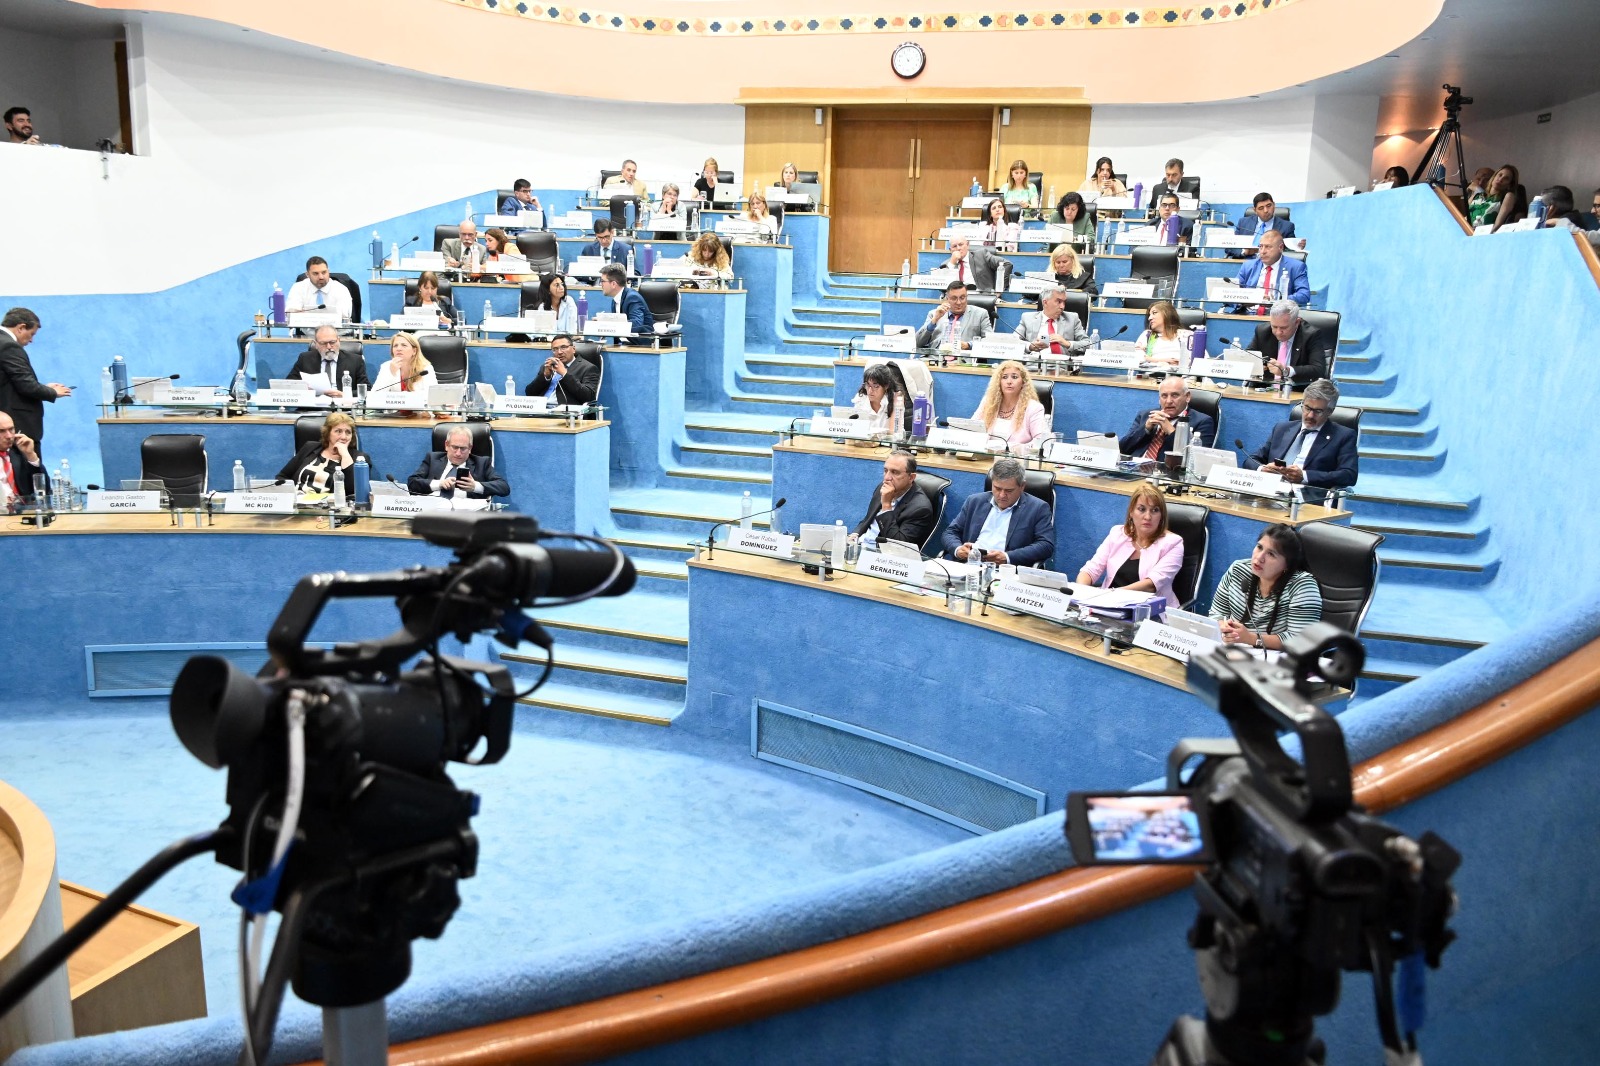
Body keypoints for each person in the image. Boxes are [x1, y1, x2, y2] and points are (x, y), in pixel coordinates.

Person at [1208, 524, 1323, 650]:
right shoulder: (1238, 570)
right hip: (1235, 652)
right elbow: (1217, 613)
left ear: (1287, 565)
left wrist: (1251, 638)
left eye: (1271, 554)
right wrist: (1225, 629)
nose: (1259, 557)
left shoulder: (1303, 585)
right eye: (1259, 547)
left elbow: (1301, 641)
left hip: (1280, 660)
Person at [1244, 378, 1358, 505]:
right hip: (1270, 493)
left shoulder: (1343, 436)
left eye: (1317, 411)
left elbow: (1349, 475)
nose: (1310, 415)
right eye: (1307, 408)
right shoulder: (1282, 429)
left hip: (1306, 500)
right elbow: (1251, 459)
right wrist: (1262, 469)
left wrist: (1304, 476)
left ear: (1330, 411)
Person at [1076, 483, 1186, 608]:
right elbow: (1091, 570)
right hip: (1108, 606)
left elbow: (1151, 585)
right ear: (1131, 512)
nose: (1148, 516)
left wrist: (1110, 595)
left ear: (1161, 516)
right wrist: (1081, 593)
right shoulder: (1117, 534)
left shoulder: (1173, 543)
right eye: (1141, 509)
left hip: (1150, 611)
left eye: (1155, 510)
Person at [940, 457, 1055, 566]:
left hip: (1006, 572)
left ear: (1022, 486)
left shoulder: (1038, 508)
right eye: (997, 488)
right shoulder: (975, 502)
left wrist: (1007, 557)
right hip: (970, 566)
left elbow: (1046, 545)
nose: (1002, 495)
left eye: (1009, 491)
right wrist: (958, 549)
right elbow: (950, 532)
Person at [0, 308, 69, 457]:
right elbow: (26, 385)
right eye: (31, 334)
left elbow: (11, 383)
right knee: (27, 471)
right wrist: (53, 392)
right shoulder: (8, 346)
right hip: (18, 423)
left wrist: (42, 387)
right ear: (21, 327)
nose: (31, 340)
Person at [851, 450, 934, 551]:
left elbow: (897, 547)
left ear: (911, 477)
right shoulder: (882, 488)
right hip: (861, 545)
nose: (887, 478)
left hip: (883, 556)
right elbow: (867, 520)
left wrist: (886, 506)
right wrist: (855, 534)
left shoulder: (920, 509)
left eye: (895, 472)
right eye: (886, 471)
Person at [1117, 376, 1216, 457]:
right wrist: (1145, 429)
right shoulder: (1145, 415)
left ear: (1187, 397)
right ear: (1159, 399)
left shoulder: (1202, 421)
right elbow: (1122, 448)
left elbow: (1197, 459)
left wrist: (1170, 430)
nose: (1168, 401)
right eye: (1164, 396)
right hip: (1134, 469)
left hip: (1167, 474)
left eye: (1174, 395)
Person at [407, 425, 510, 500]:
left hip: (466, 514)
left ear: (470, 448)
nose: (458, 453)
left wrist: (475, 486)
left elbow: (503, 487)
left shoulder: (482, 463)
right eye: (455, 447)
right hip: (434, 510)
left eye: (463, 448)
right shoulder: (432, 459)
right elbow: (412, 483)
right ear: (446, 445)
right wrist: (439, 484)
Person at [276, 411, 366, 495]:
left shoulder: (360, 459)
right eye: (338, 431)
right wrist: (291, 495)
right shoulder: (310, 448)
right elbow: (282, 476)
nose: (343, 437)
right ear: (328, 433)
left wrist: (345, 455)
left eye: (348, 432)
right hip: (298, 502)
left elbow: (353, 491)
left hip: (328, 508)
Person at [973, 360, 1049, 452]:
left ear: (1023, 382)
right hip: (985, 457)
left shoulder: (1034, 408)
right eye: (1004, 377)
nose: (1009, 381)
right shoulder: (988, 402)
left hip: (1016, 460)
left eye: (1014, 377)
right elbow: (972, 428)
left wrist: (1013, 448)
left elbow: (1042, 442)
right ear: (999, 382)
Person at [1248, 301, 1329, 387]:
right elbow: (1248, 356)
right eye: (1274, 327)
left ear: (1297, 322)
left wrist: (1286, 371)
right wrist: (1258, 364)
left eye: (1284, 328)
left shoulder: (1310, 335)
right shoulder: (1262, 331)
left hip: (1296, 390)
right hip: (1264, 390)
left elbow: (1318, 369)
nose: (1278, 332)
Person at [1232, 230, 1309, 310]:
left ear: (1281, 247)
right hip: (1248, 314)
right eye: (1261, 246)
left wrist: (1275, 301)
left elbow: (1304, 295)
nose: (1263, 251)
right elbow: (1232, 293)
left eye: (1268, 247)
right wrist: (1250, 298)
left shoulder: (1296, 267)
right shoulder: (1248, 266)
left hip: (1279, 316)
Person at [289, 325, 369, 397]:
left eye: (332, 342)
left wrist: (344, 394)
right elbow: (290, 384)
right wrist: (304, 388)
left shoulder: (355, 360)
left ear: (338, 340)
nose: (329, 347)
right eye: (323, 343)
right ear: (316, 344)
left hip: (343, 407)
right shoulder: (305, 358)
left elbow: (367, 389)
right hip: (313, 407)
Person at [1014, 284, 1089, 356]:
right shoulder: (1027, 318)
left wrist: (1067, 343)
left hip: (1062, 366)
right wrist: (1030, 346)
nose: (1062, 306)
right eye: (1059, 302)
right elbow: (1012, 341)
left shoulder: (1072, 319)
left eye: (1064, 302)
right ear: (1045, 302)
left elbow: (1087, 344)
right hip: (1033, 365)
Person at [524, 334, 599, 405]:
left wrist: (564, 373)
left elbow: (589, 397)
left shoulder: (588, 368)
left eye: (563, 347)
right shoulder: (548, 366)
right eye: (555, 349)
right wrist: (546, 376)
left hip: (565, 412)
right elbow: (530, 393)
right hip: (541, 409)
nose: (559, 352)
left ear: (573, 349)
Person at [915, 280, 991, 349]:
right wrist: (934, 320)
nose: (958, 302)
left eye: (962, 298)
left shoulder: (980, 314)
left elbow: (990, 341)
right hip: (935, 359)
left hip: (963, 361)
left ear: (966, 297)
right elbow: (917, 343)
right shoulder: (934, 314)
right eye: (954, 298)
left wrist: (969, 345)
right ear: (947, 299)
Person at [0, 411, 47, 504]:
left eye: (11, 429)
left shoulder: (18, 452)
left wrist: (31, 455)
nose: (9, 436)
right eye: (1, 431)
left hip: (23, 512)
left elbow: (45, 490)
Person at [597, 263, 654, 339]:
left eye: (602, 281)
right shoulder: (615, 300)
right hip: (624, 345)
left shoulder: (633, 297)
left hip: (642, 346)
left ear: (613, 284)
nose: (601, 284)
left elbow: (637, 324)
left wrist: (608, 322)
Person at [285, 256, 353, 319]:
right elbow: (291, 314)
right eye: (316, 273)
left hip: (336, 331)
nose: (321, 277)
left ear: (328, 271)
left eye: (324, 272)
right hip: (308, 331)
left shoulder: (341, 289)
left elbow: (344, 315)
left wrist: (306, 315)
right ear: (307, 274)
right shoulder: (298, 287)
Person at [1231, 192, 1296, 258]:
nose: (1266, 210)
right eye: (1261, 208)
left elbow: (1290, 251)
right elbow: (1230, 247)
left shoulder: (1287, 226)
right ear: (1255, 210)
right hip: (1245, 262)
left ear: (1274, 205)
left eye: (1269, 206)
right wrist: (1244, 252)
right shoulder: (1243, 223)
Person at [371, 332, 436, 395]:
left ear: (414, 351)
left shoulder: (425, 369)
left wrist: (404, 397)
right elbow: (374, 395)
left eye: (404, 345)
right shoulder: (386, 366)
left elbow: (433, 395)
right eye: (395, 346)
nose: (398, 349)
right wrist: (391, 373)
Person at [851, 363, 909, 434]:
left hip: (888, 443)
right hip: (866, 443)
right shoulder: (861, 398)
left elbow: (893, 432)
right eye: (867, 385)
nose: (870, 391)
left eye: (875, 386)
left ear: (886, 386)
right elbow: (855, 428)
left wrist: (897, 404)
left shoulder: (897, 398)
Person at [1133, 300, 1193, 367]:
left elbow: (1200, 359)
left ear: (1167, 314)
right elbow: (1137, 357)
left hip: (1181, 374)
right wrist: (1164, 360)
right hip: (1153, 374)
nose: (1149, 318)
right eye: (1149, 315)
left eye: (1154, 313)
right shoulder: (1147, 335)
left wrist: (1183, 362)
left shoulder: (1187, 335)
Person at [1466, 164, 1526, 232]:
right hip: (1465, 231)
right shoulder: (1477, 195)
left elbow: (1498, 224)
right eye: (1500, 175)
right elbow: (1462, 215)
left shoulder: (1508, 196)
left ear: (1509, 185)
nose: (1500, 179)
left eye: (1506, 178)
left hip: (1484, 235)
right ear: (1494, 177)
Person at [939, 236, 1005, 291]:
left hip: (980, 297)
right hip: (957, 300)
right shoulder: (946, 265)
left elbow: (1006, 264)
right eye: (954, 246)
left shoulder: (981, 255)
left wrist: (998, 290)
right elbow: (942, 288)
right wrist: (952, 263)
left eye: (961, 244)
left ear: (967, 245)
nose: (958, 248)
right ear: (950, 250)